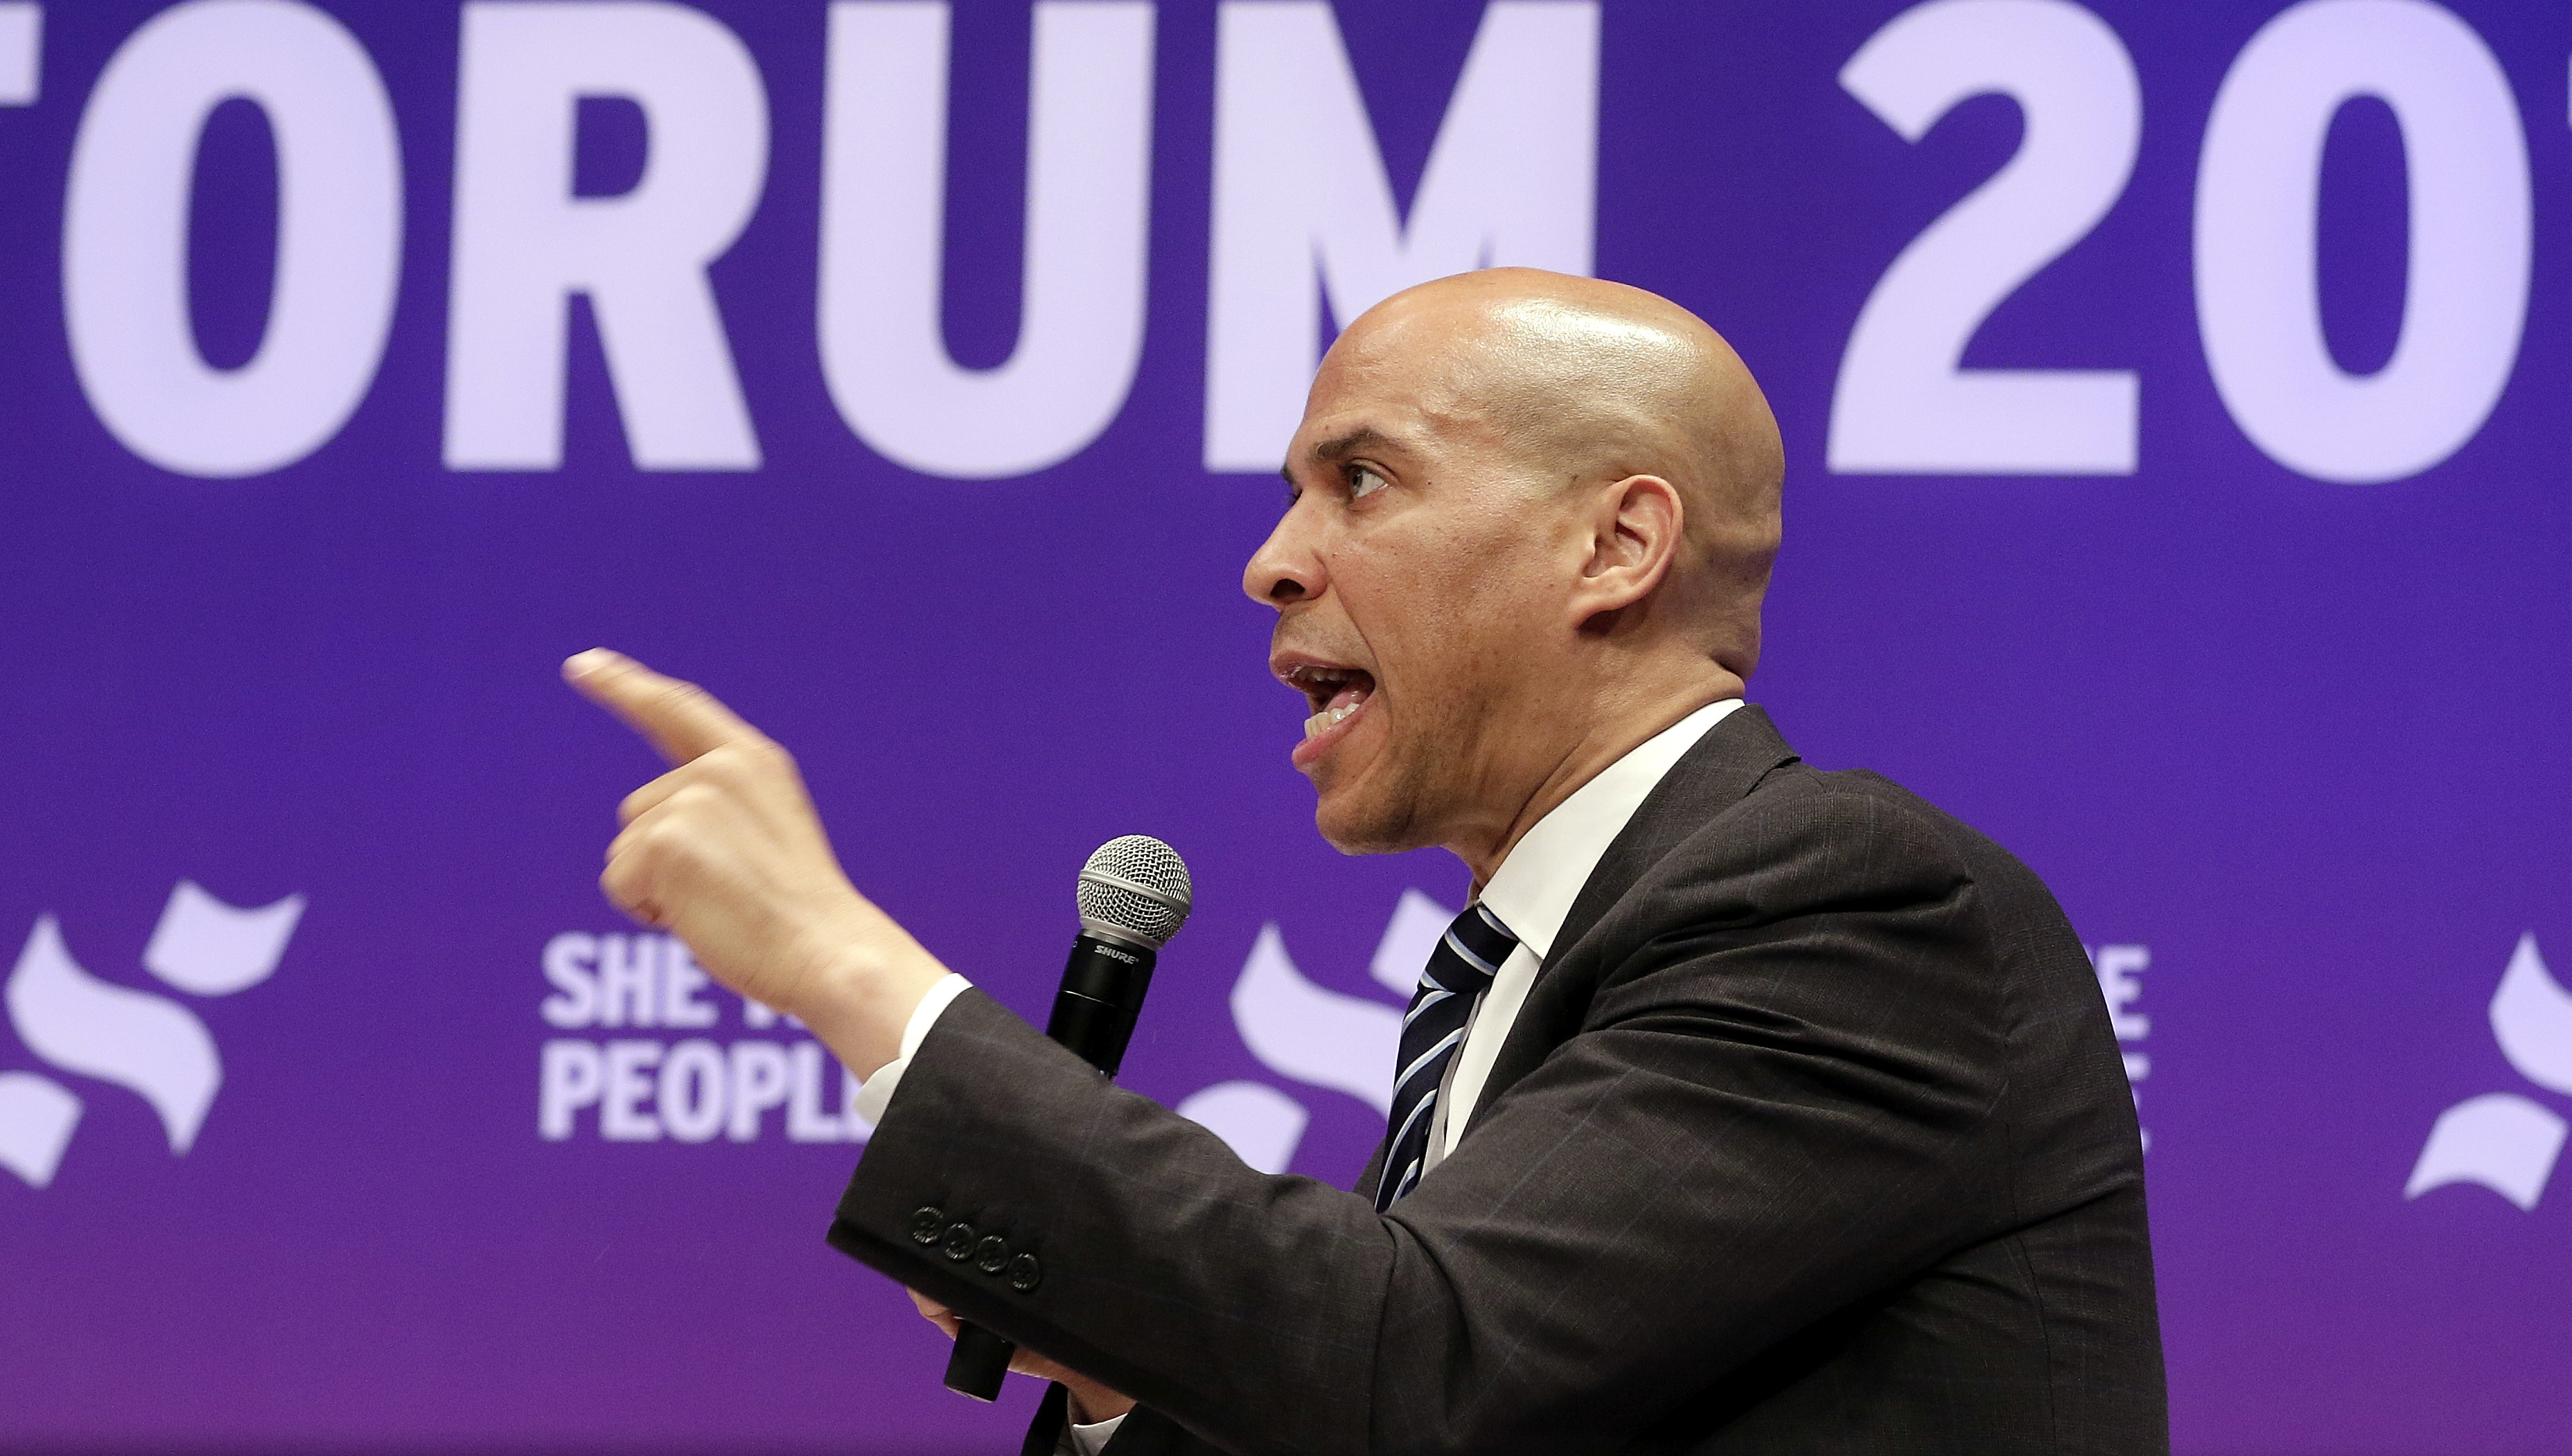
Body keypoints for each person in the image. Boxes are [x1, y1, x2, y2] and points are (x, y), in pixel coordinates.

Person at [574, 269, 2167, 1455]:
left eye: (1361, 478)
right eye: (1290, 493)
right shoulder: (1531, 966)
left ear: (1613, 547)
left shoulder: (1852, 905)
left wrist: (847, 969)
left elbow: (1424, 1365)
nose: (1271, 557)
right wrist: (1125, 1366)